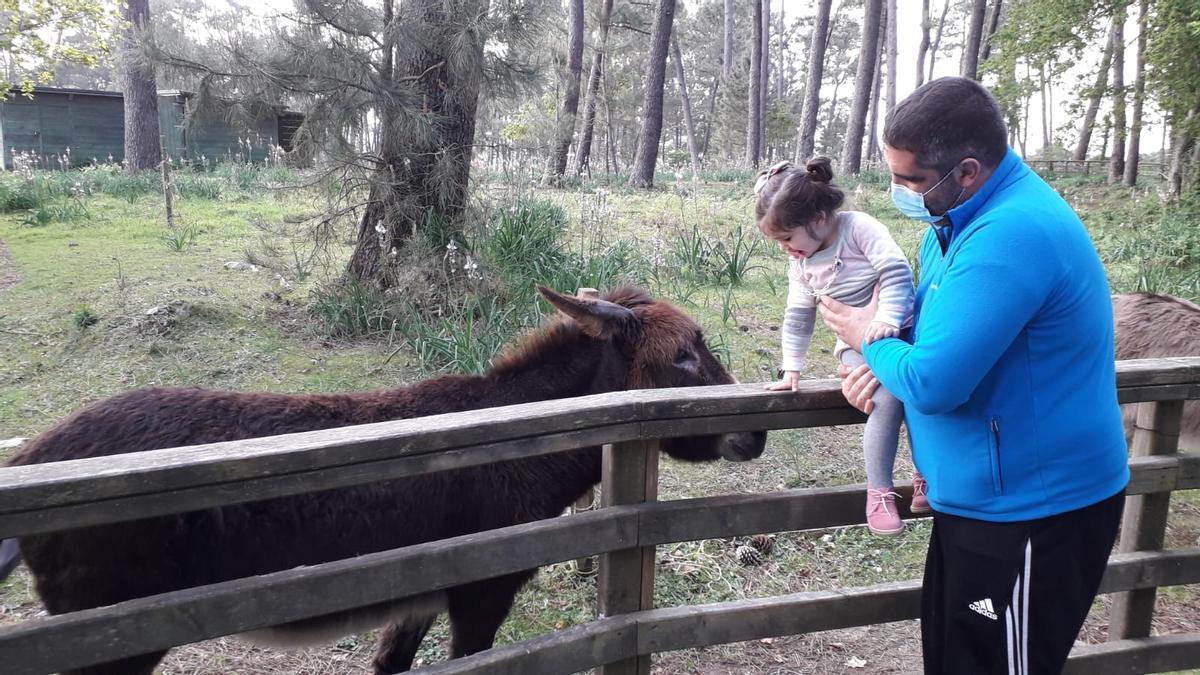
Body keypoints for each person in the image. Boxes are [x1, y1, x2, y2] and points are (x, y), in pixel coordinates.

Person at [818, 77, 1129, 674]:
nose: (897, 192)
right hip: (984, 500)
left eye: (909, 179)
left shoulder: (1011, 235)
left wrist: (865, 337)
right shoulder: (955, 222)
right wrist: (886, 362)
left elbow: (934, 380)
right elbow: (934, 335)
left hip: (1035, 511)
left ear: (965, 170)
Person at [753, 156, 926, 535]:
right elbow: (799, 316)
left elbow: (895, 272)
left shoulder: (859, 228)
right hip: (855, 346)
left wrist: (886, 321)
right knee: (885, 399)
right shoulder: (801, 264)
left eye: (786, 238)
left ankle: (924, 476)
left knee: (919, 393)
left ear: (817, 219)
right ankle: (878, 490)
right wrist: (791, 368)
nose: (785, 248)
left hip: (901, 332)